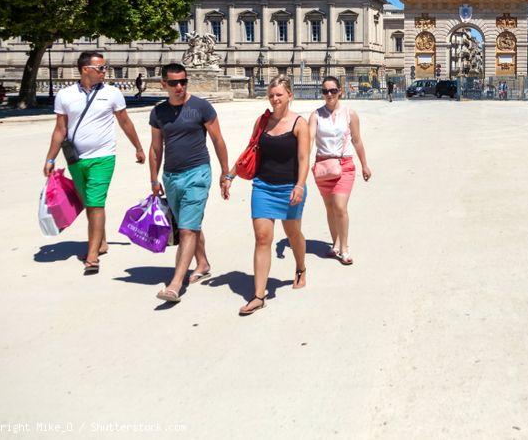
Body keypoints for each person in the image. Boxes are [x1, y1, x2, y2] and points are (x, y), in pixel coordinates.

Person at [43, 51, 145, 274]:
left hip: (104, 157)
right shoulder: (65, 95)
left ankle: (92, 255)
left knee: (96, 202)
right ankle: (102, 241)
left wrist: (138, 147)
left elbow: (125, 122)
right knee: (89, 202)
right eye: (100, 68)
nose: (104, 71)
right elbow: (60, 129)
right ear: (84, 69)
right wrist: (50, 158)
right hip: (75, 159)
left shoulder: (112, 93)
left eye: (105, 68)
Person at [224, 76, 311, 316]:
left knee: (293, 233)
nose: (275, 99)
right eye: (271, 95)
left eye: (279, 95)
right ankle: (258, 295)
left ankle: (301, 267)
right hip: (263, 186)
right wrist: (230, 175)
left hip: (290, 187)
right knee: (263, 237)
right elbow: (250, 149)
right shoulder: (262, 122)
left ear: (289, 96)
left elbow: (304, 158)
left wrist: (300, 185)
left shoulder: (299, 124)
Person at [149, 63, 231, 303]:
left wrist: (225, 174)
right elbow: (156, 149)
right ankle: (202, 263)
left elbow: (218, 140)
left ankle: (175, 284)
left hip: (198, 173)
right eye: (173, 83)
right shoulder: (158, 112)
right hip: (171, 176)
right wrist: (154, 178)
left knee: (186, 229)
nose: (179, 87)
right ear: (163, 84)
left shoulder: (201, 107)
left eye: (183, 81)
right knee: (190, 224)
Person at [309, 76, 372, 266]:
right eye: (325, 91)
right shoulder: (315, 115)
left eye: (333, 91)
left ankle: (344, 249)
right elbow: (309, 140)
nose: (329, 94)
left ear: (340, 91)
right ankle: (335, 243)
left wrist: (364, 164)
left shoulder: (350, 114)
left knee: (339, 206)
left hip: (344, 165)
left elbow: (357, 140)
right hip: (322, 167)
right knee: (329, 208)